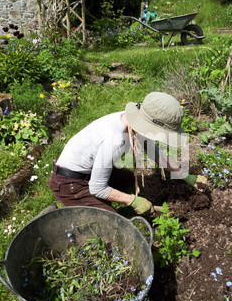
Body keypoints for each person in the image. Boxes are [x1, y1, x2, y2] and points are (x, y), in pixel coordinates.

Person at [47, 92, 207, 215]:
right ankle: (53, 214)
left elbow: (154, 152)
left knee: (128, 180)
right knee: (111, 222)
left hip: (88, 169)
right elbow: (97, 188)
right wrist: (132, 201)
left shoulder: (133, 121)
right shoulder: (115, 140)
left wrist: (184, 175)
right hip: (68, 183)